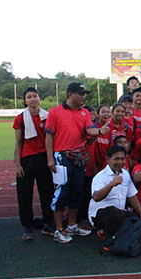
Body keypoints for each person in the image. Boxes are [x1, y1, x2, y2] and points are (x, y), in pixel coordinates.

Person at [46, 82, 110, 243]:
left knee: (77, 192)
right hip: (62, 156)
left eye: (83, 94)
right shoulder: (55, 112)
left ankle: (72, 225)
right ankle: (59, 229)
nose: (83, 97)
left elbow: (89, 130)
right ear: (70, 94)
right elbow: (49, 136)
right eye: (80, 94)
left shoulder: (84, 113)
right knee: (61, 192)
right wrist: (50, 158)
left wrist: (100, 131)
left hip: (79, 156)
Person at [13, 87, 54, 240]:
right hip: (27, 159)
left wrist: (51, 159)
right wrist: (18, 164)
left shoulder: (47, 116)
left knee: (47, 192)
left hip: (44, 158)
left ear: (39, 98)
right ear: (25, 101)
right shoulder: (20, 118)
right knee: (24, 194)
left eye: (35, 96)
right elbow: (18, 142)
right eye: (29, 97)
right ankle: (27, 226)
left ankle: (48, 222)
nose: (32, 99)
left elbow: (52, 138)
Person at [88, 145, 141, 239]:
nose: (120, 162)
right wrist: (111, 184)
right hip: (100, 215)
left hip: (120, 214)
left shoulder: (125, 174)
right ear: (108, 159)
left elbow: (132, 196)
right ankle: (108, 238)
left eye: (122, 159)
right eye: (116, 159)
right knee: (114, 213)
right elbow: (96, 197)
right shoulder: (100, 176)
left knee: (137, 221)